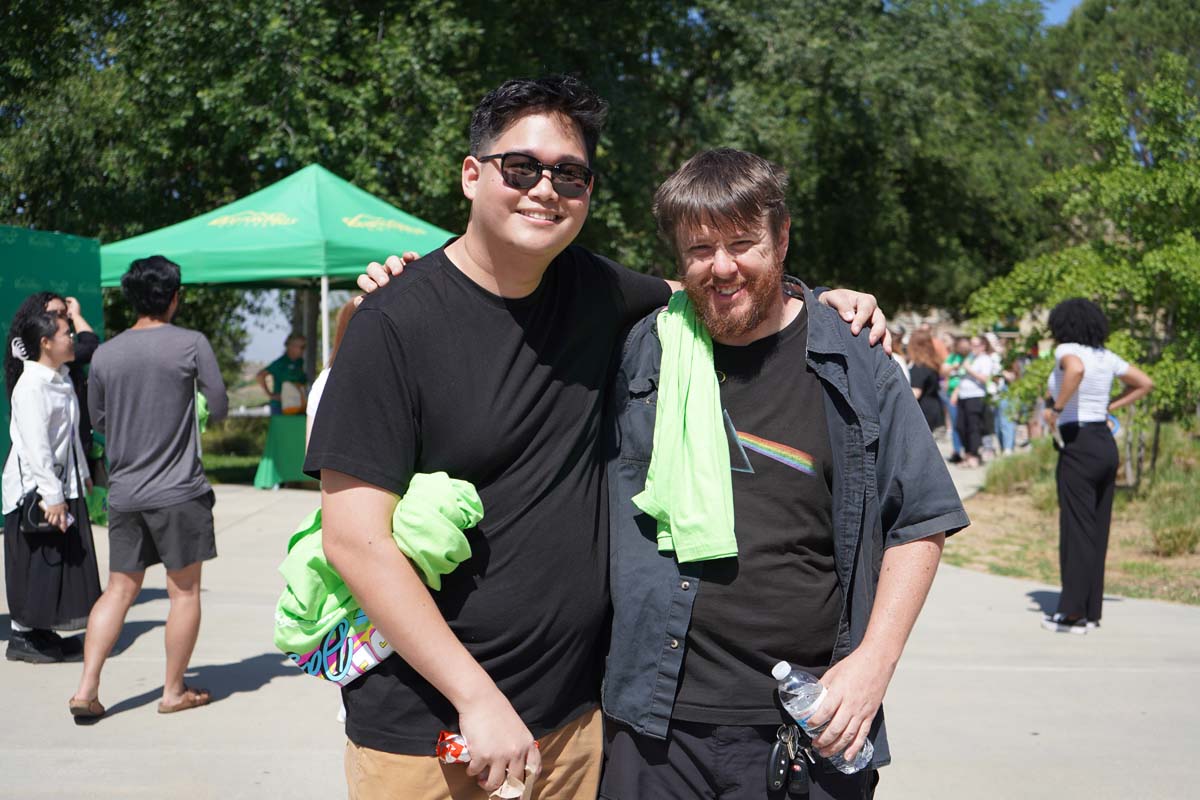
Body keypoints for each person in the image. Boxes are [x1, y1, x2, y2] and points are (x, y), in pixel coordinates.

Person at [309, 75, 888, 800]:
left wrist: (818, 301)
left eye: (570, 175)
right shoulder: (394, 323)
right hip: (437, 727)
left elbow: (717, 287)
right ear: (471, 174)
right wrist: (477, 697)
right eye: (520, 168)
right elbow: (354, 541)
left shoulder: (598, 291)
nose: (544, 189)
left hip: (579, 724)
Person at [601, 148, 968, 800]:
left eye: (743, 243)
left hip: (807, 719)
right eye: (700, 249)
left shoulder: (855, 358)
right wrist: (395, 280)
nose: (721, 267)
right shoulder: (642, 351)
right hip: (653, 724)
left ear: (783, 238)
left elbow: (919, 521)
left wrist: (871, 668)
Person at [68, 256, 229, 720]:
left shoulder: (106, 354)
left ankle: (86, 688)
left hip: (125, 493)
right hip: (180, 491)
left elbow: (98, 421)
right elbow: (217, 406)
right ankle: (173, 691)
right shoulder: (191, 344)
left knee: (119, 589)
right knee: (183, 592)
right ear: (174, 296)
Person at [1041, 298, 1152, 634]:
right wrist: (1109, 406)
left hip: (1078, 443)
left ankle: (1071, 615)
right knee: (1097, 530)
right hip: (1104, 444)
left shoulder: (1067, 350)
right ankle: (1090, 611)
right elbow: (1145, 382)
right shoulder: (1106, 355)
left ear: (1063, 324)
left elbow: (1075, 370)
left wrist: (1056, 410)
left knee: (1076, 530)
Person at [3, 306, 101, 663]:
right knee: (36, 563)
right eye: (65, 334)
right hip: (37, 490)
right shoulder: (31, 386)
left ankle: (43, 631)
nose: (72, 339)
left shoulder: (59, 377)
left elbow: (70, 434)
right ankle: (23, 637)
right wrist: (53, 497)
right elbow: (36, 447)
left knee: (56, 564)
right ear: (45, 342)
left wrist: (84, 474)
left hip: (63, 483)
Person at [951, 336, 996, 469]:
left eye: (976, 345)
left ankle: (974, 456)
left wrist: (969, 369)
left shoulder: (985, 359)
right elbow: (961, 377)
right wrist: (956, 392)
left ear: (983, 346)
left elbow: (984, 378)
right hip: (963, 396)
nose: (973, 348)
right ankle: (968, 454)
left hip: (976, 396)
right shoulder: (970, 359)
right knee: (960, 426)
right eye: (971, 345)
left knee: (974, 427)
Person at [257, 333, 308, 415]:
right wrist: (270, 395)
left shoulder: (299, 362)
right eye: (301, 347)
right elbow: (260, 376)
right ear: (291, 346)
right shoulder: (281, 363)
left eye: (304, 347)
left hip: (298, 406)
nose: (303, 350)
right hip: (281, 407)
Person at [906, 328, 945, 433]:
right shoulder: (931, 363)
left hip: (923, 410)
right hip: (934, 406)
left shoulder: (919, 367)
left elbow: (916, 392)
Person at [942, 335, 969, 461]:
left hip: (961, 394)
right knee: (954, 424)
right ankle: (957, 451)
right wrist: (953, 366)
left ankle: (964, 451)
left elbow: (964, 376)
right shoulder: (952, 357)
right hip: (951, 393)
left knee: (961, 424)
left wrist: (956, 392)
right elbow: (943, 370)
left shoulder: (967, 358)